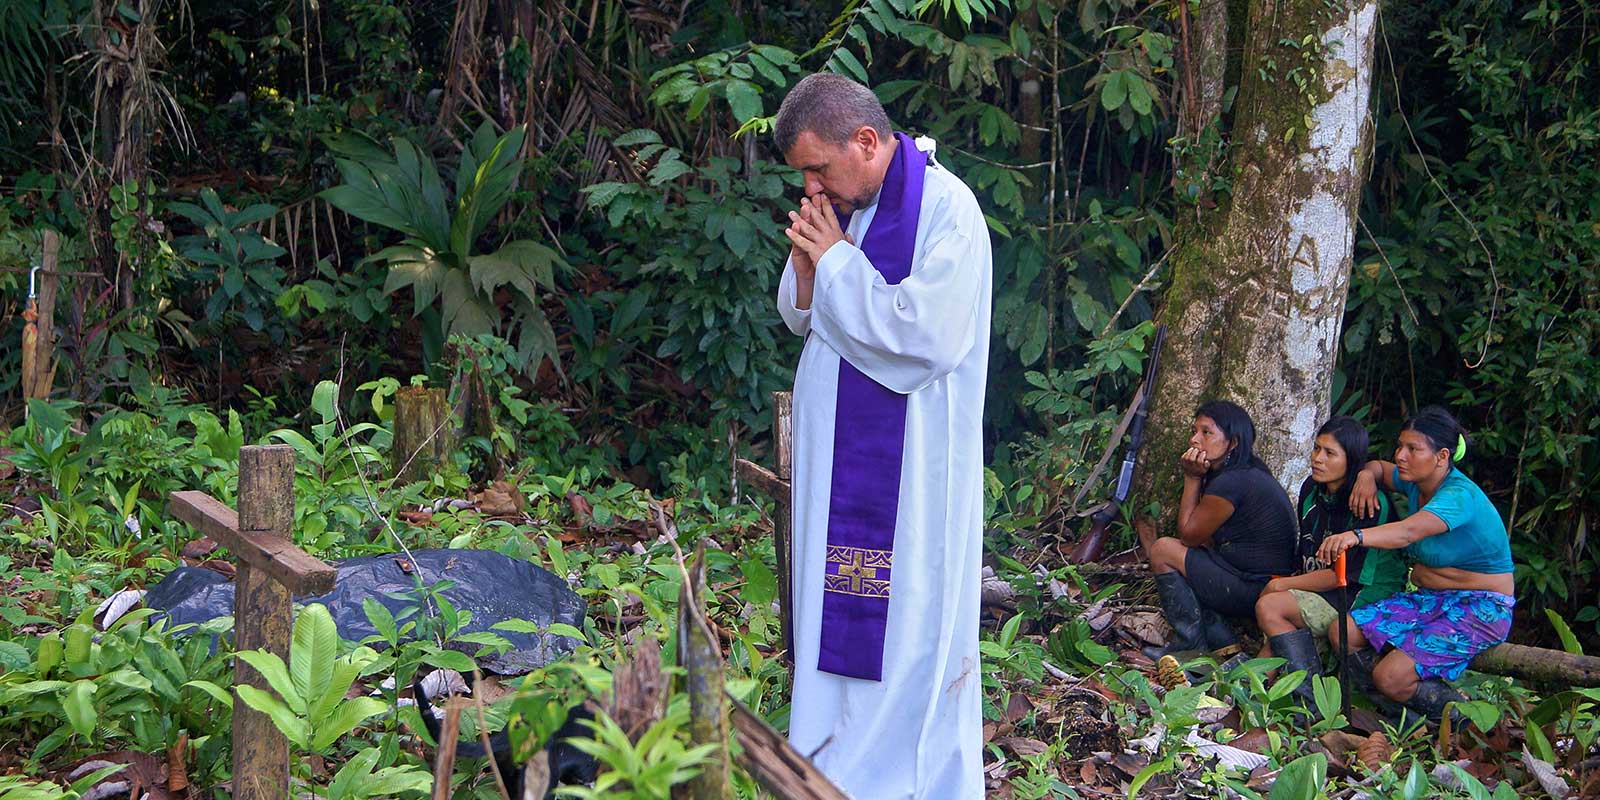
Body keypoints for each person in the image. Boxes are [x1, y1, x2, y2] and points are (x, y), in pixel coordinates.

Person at [773, 73, 992, 799]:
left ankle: (905, 780)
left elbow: (920, 339)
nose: (811, 185)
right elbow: (802, 315)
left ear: (865, 141)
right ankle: (831, 764)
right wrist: (810, 268)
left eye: (818, 167)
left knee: (908, 627)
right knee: (835, 612)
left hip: (911, 480)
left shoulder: (946, 210)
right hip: (838, 465)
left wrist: (833, 261)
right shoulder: (848, 203)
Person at [1318, 406, 1514, 724]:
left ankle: (1468, 723)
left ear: (1442, 456)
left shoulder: (1458, 496)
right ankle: (1399, 716)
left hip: (1483, 608)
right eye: (1400, 446)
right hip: (1432, 599)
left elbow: (1408, 532)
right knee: (1343, 631)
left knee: (1390, 676)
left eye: (1413, 449)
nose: (1401, 456)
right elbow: (1380, 468)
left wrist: (1354, 536)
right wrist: (1367, 475)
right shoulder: (1415, 483)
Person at [1253, 416, 1407, 706]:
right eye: (1316, 449)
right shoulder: (1311, 489)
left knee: (1271, 603)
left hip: (1362, 595)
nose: (1317, 459)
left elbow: (1345, 575)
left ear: (1352, 461)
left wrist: (1283, 585)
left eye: (1329, 453)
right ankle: (1256, 690)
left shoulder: (1369, 502)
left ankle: (1308, 698)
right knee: (1273, 601)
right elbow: (1308, 552)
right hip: (1323, 585)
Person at [1140, 400, 1298, 659]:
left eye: (1207, 433)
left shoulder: (1232, 482)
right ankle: (1219, 636)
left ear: (1233, 442)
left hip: (1255, 588)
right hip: (1252, 580)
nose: (1194, 440)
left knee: (1163, 550)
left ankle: (1188, 647)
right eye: (1195, 431)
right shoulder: (1247, 471)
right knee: (1197, 552)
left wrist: (1191, 478)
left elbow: (1188, 535)